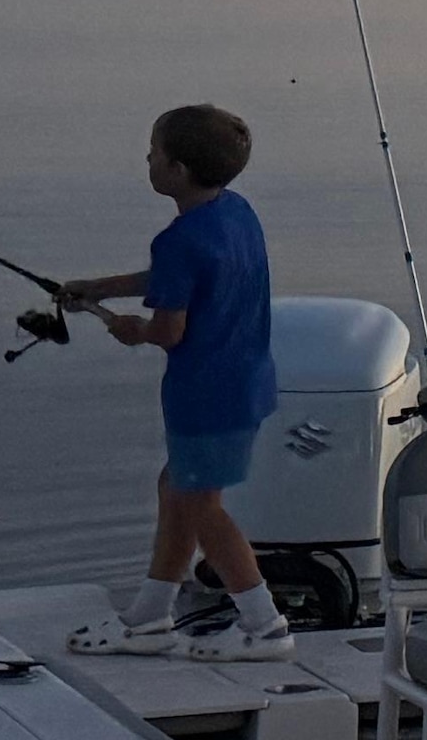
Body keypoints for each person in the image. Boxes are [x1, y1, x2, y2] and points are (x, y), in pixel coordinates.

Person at [58, 103, 288, 661]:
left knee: (199, 505)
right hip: (246, 382)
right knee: (177, 490)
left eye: (154, 152)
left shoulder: (179, 239)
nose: (147, 160)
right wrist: (99, 288)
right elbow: (179, 281)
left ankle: (264, 626)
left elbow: (168, 330)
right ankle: (150, 616)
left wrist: (129, 329)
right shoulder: (236, 212)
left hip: (204, 392)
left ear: (178, 170)